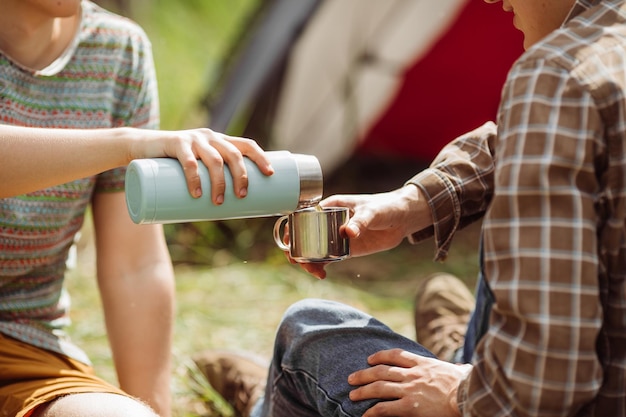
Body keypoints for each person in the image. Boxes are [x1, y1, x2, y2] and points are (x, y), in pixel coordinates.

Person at [192, 0, 626, 415]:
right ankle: (463, 348)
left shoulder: (558, 77)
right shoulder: (603, 60)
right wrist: (413, 203)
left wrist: (461, 391)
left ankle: (266, 403)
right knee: (495, 280)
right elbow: (524, 140)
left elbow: (549, 383)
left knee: (306, 334)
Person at [0, 1, 273, 417]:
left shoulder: (116, 50)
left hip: (21, 352)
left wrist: (152, 410)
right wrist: (125, 145)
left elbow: (135, 264)